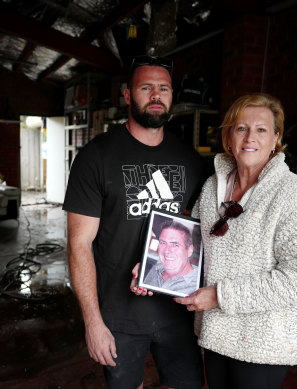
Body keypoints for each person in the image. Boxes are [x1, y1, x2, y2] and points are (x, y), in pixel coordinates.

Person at [63, 55, 204, 389]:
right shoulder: (96, 157)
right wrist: (92, 322)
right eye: (146, 87)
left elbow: (199, 234)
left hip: (178, 311)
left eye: (164, 88)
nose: (156, 95)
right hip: (118, 315)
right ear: (127, 95)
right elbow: (78, 244)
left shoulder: (191, 160)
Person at [173, 93, 297, 389]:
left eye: (261, 130)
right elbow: (193, 247)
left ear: (275, 138)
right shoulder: (212, 187)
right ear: (229, 137)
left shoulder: (294, 194)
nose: (249, 138)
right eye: (241, 128)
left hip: (263, 342)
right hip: (216, 333)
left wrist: (220, 296)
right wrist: (153, 271)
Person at [143, 219, 200, 296]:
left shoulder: (198, 283)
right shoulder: (156, 269)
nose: (167, 251)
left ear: (190, 250)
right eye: (163, 243)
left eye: (175, 245)